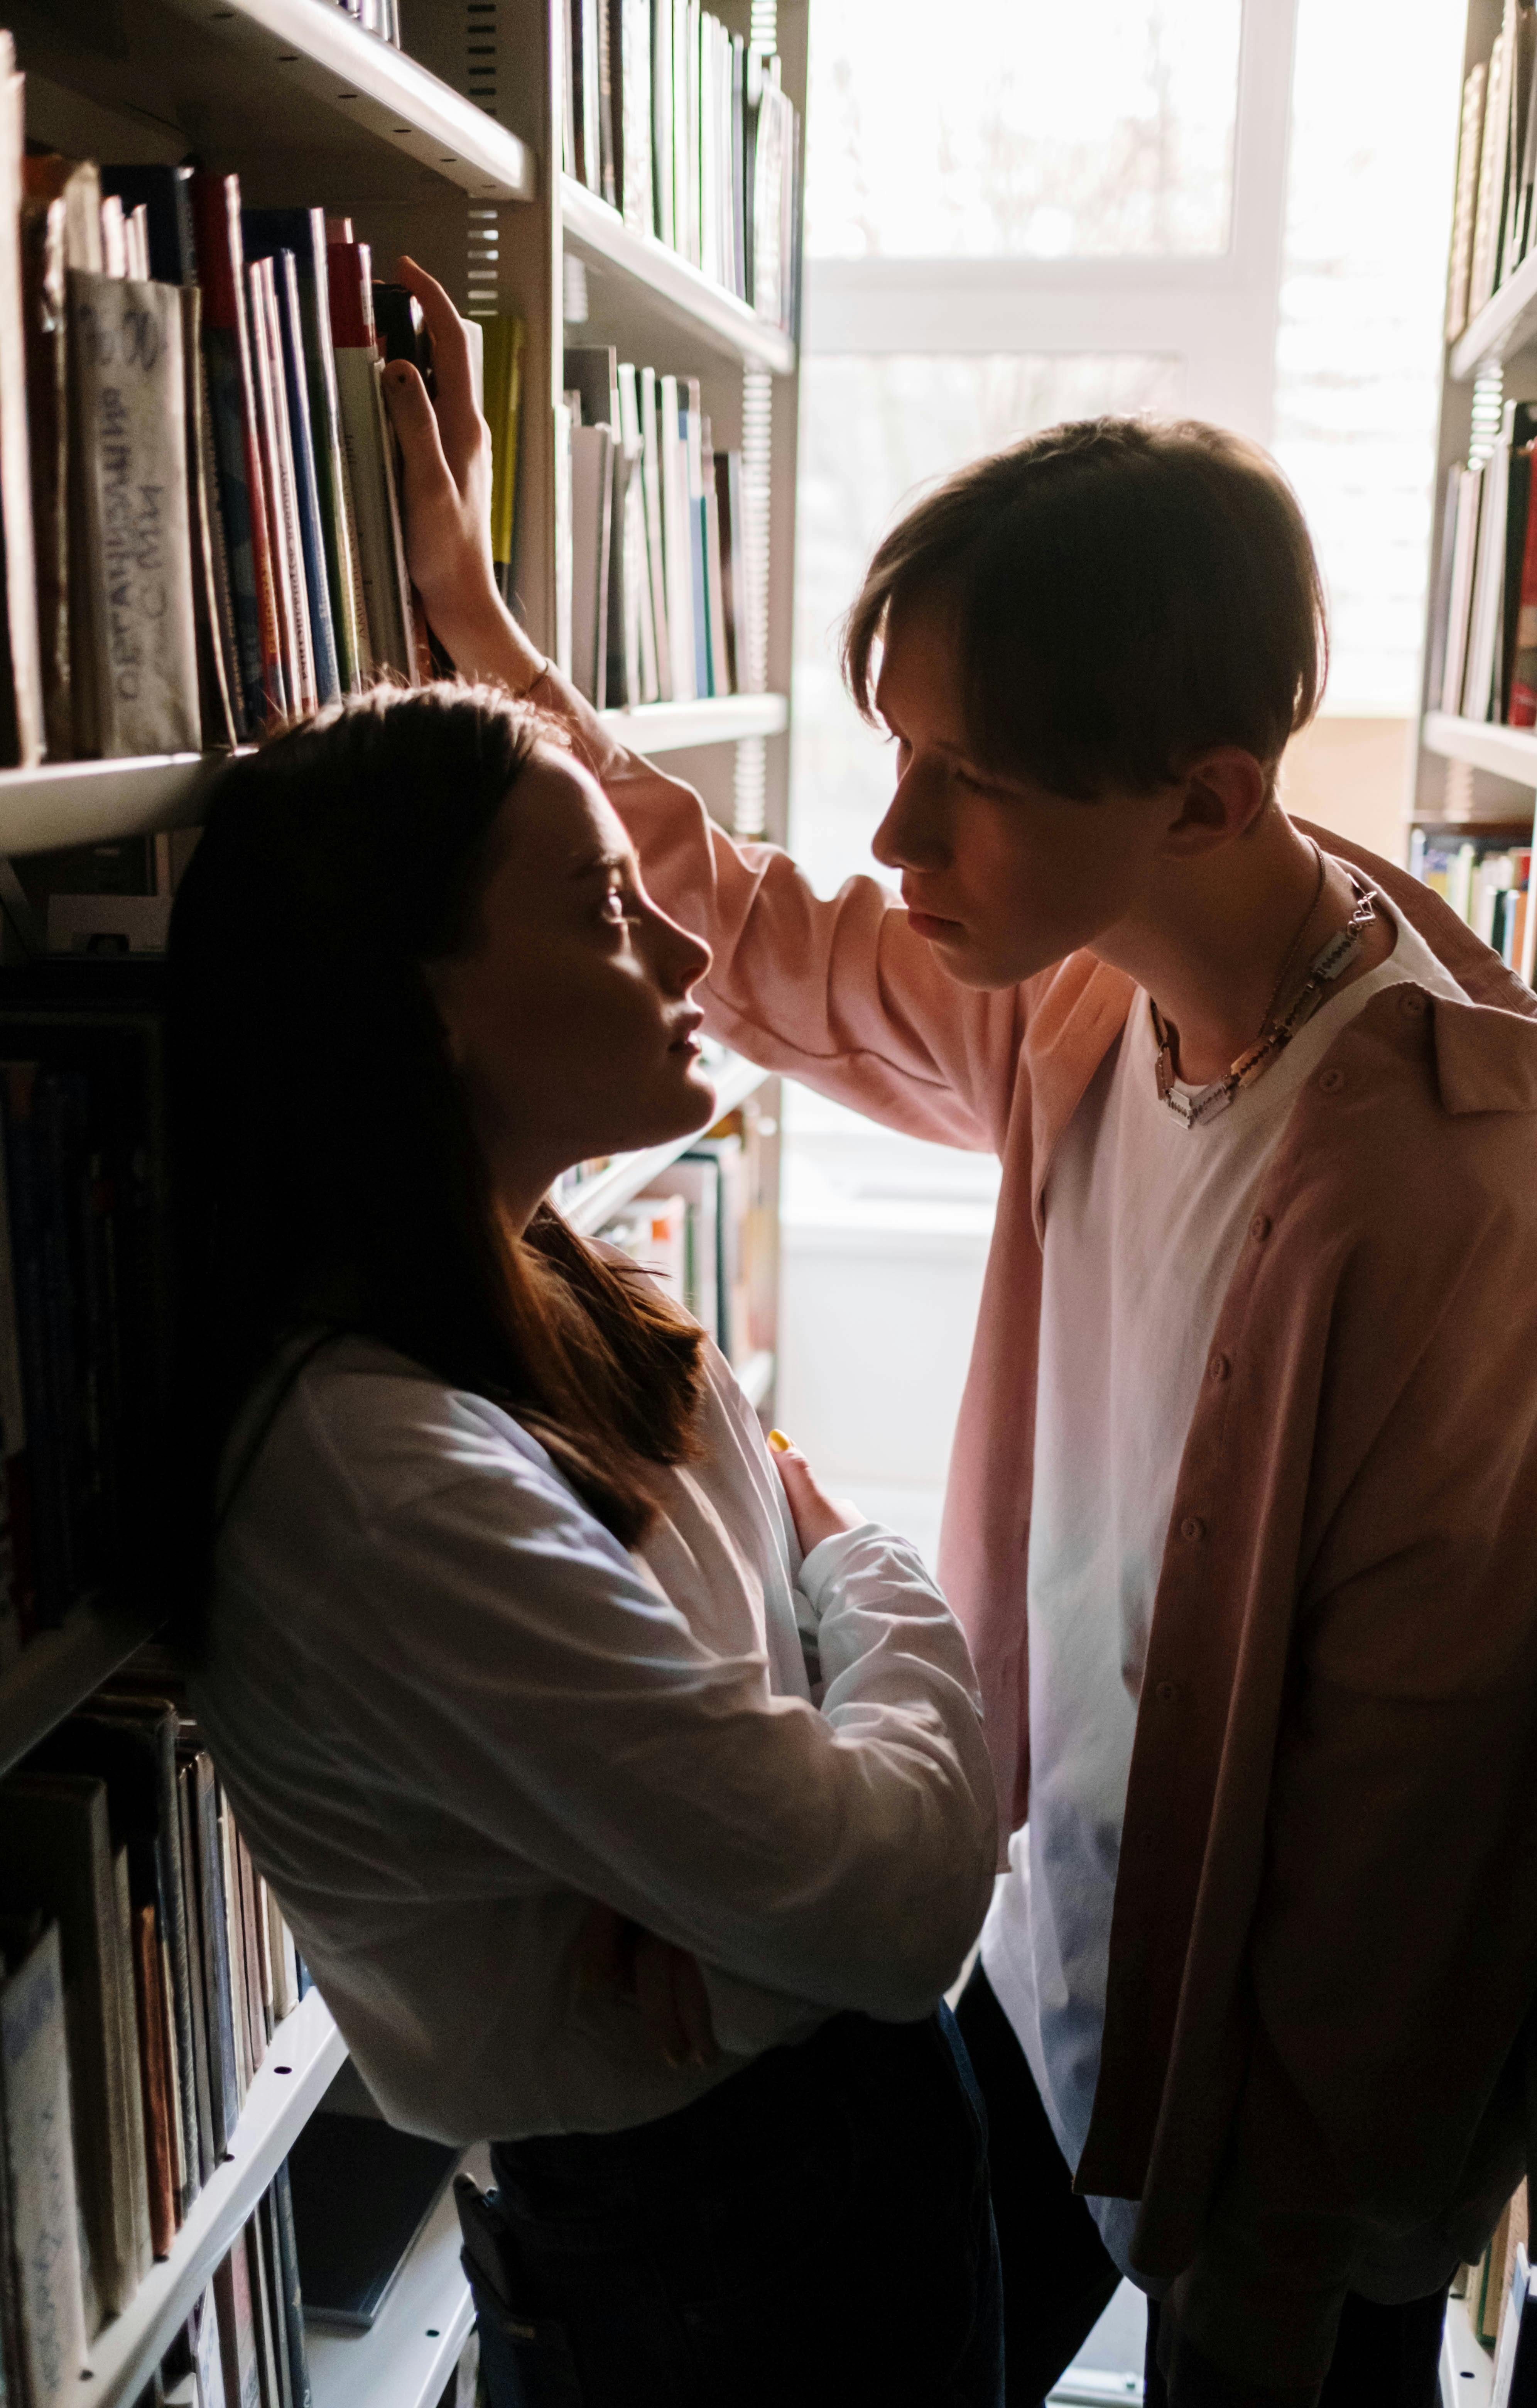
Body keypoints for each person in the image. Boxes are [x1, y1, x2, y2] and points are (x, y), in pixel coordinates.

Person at [378, 259, 1537, 2408]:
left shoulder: (1438, 1197)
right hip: (1058, 1952)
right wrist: (485, 640)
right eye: (898, 753)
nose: (896, 837)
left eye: (968, 779)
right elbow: (746, 924)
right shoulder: (1088, 976)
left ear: (1212, 797)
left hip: (1288, 2133)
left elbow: (1420, 1828)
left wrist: (1276, 2271)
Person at [170, 680, 1003, 2408]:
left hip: (817, 2161)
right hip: (699, 2253)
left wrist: (741, 1889)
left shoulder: (562, 1288)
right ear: (422, 1004)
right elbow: (895, 1906)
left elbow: (791, 1726)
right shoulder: (379, 1480)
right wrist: (870, 1596)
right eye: (605, 913)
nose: (690, 963)